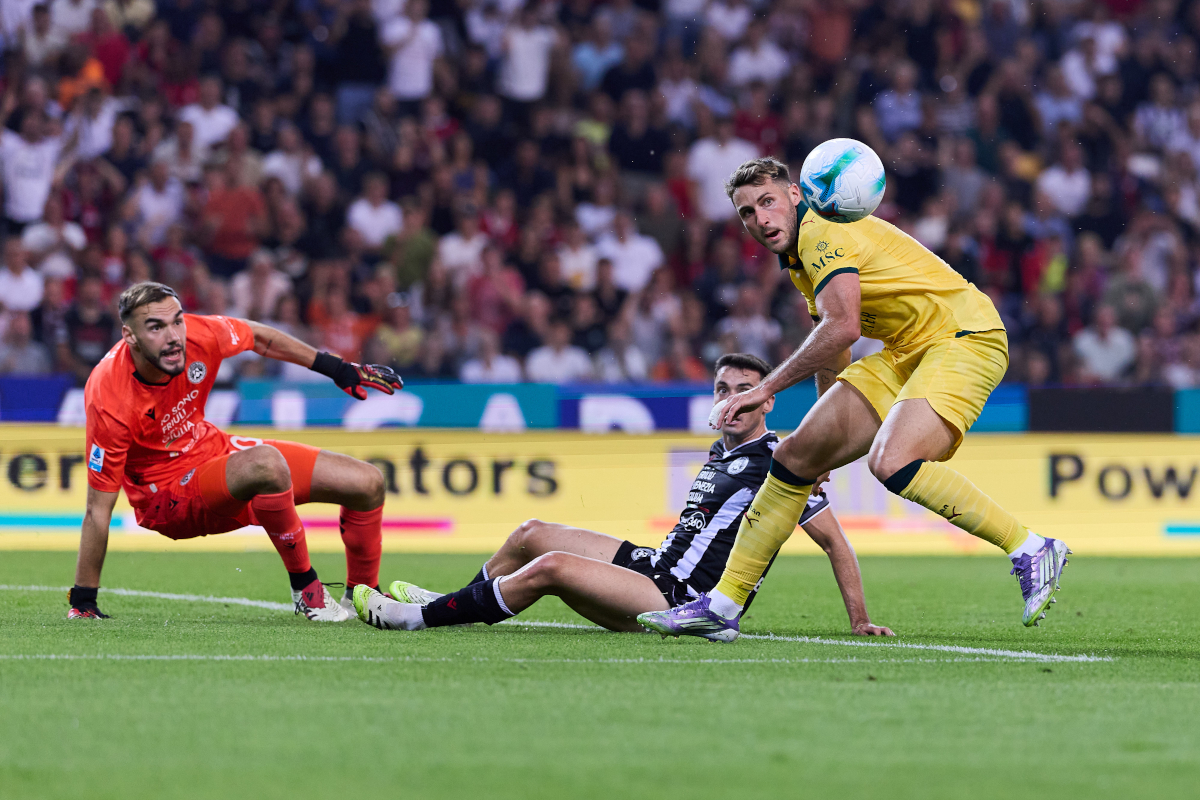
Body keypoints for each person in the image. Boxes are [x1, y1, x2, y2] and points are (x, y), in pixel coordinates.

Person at [639, 157, 1070, 642]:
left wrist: (764, 389)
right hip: (907, 349)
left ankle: (1030, 546)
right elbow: (836, 347)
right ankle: (721, 606)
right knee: (794, 458)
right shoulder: (801, 259)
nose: (759, 219)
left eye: (767, 202)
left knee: (891, 460)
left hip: (964, 336)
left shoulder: (823, 233)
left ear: (796, 196)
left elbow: (840, 326)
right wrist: (828, 440)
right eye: (746, 212)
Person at [352, 353, 893, 637]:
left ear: (766, 402)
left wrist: (858, 618)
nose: (733, 400)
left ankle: (417, 620)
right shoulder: (718, 454)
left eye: (745, 392)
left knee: (554, 566)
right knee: (530, 534)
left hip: (682, 600)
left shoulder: (781, 459)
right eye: (724, 389)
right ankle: (455, 602)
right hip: (656, 568)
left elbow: (835, 544)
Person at [68, 281, 404, 622]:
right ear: (130, 336)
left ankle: (363, 596)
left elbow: (258, 336)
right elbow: (98, 509)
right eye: (155, 327)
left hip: (212, 451)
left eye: (177, 321)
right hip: (167, 496)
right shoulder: (109, 395)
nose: (173, 336)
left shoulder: (198, 334)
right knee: (266, 463)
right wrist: (84, 599)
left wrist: (336, 368)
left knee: (368, 482)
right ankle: (307, 590)